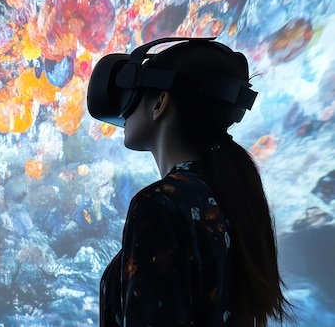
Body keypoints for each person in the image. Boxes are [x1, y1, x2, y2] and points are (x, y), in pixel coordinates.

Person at [86, 38, 294, 326]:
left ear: (160, 103)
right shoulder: (230, 194)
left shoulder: (158, 204)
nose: (125, 109)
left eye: (134, 94)